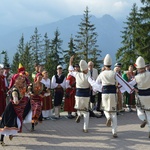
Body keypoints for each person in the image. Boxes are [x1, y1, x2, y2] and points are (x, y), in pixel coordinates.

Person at [96, 54, 134, 138]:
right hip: (113, 93)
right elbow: (123, 82)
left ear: (104, 65)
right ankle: (114, 132)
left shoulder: (101, 74)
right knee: (114, 112)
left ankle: (108, 117)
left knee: (105, 109)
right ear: (111, 64)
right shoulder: (114, 73)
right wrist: (130, 89)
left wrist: (99, 89)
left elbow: (96, 83)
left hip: (105, 93)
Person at [69, 56, 102, 133]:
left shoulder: (77, 74)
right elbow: (94, 84)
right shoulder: (88, 76)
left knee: (79, 107)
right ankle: (85, 127)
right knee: (86, 112)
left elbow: (70, 70)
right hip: (85, 96)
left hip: (77, 95)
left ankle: (79, 115)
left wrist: (70, 61)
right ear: (86, 68)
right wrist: (101, 88)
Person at [0, 73, 30, 146]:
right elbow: (14, 94)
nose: (21, 80)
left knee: (17, 124)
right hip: (11, 110)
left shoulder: (21, 88)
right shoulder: (14, 89)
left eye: (21, 79)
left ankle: (11, 134)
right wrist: (15, 99)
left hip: (18, 110)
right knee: (6, 125)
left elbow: (24, 95)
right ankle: (1, 140)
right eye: (19, 79)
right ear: (15, 80)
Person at [129, 56, 150, 138]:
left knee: (139, 111)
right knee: (149, 113)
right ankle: (149, 130)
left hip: (141, 96)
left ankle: (143, 119)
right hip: (149, 95)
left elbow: (130, 85)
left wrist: (134, 89)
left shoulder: (136, 77)